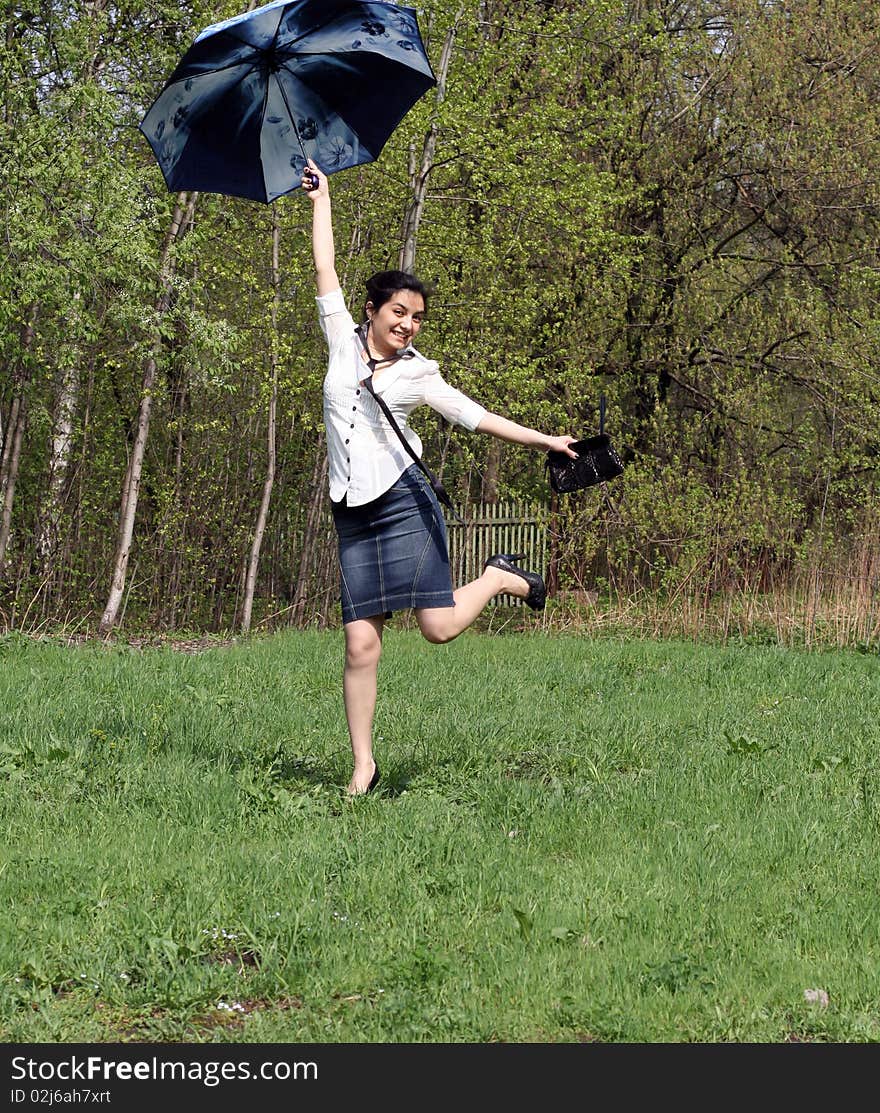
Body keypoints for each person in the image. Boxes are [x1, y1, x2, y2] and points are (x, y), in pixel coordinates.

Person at [303, 158, 578, 795]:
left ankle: (500, 577)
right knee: (359, 645)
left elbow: (473, 416)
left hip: (403, 503)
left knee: (438, 628)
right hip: (351, 510)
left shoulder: (419, 373)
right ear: (372, 311)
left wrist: (543, 438)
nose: (408, 324)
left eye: (417, 316)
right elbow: (324, 269)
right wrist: (323, 198)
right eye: (399, 312)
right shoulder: (341, 343)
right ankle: (363, 765)